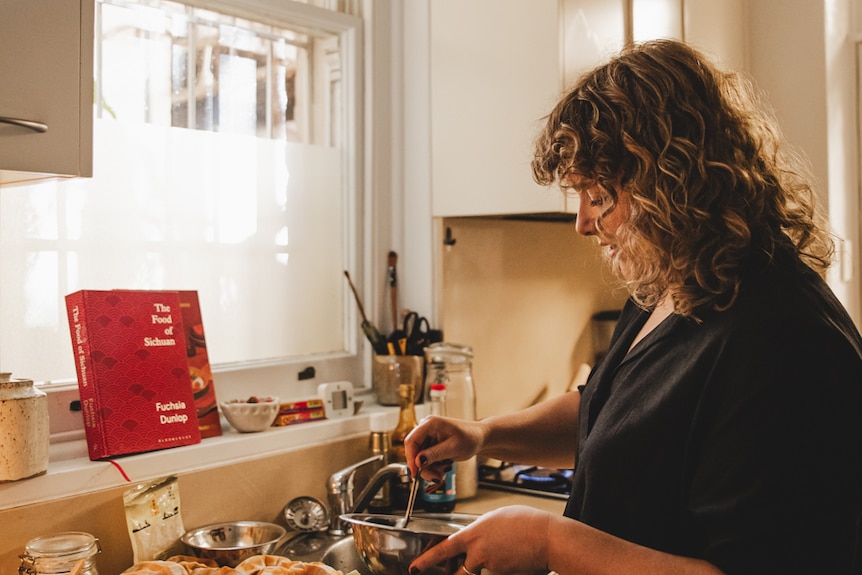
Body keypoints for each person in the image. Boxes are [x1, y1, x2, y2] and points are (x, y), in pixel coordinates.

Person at [405, 39, 862, 575]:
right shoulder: (675, 287)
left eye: (598, 196)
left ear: (671, 181)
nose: (581, 222)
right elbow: (610, 412)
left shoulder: (784, 339)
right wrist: (485, 435)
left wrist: (550, 542)